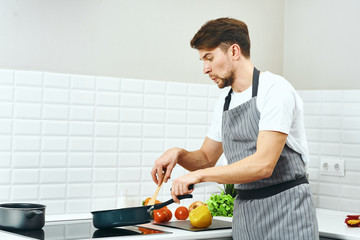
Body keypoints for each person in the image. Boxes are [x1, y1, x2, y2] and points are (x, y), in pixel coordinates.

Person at [151, 17, 319, 240]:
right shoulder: (225, 101)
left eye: (209, 58)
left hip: (287, 213)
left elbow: (263, 165)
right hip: (247, 217)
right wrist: (179, 154)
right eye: (202, 60)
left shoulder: (275, 90)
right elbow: (206, 158)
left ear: (234, 51)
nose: (205, 68)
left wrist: (199, 176)